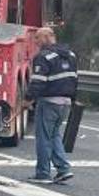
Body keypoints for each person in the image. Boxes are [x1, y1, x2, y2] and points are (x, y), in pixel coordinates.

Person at [26, 26, 77, 184]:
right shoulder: (71, 55)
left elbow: (38, 82)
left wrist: (28, 99)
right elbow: (75, 80)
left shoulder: (43, 57)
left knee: (43, 138)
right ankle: (63, 169)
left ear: (47, 37)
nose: (35, 42)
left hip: (49, 102)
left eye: (37, 38)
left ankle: (43, 173)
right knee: (54, 135)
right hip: (66, 102)